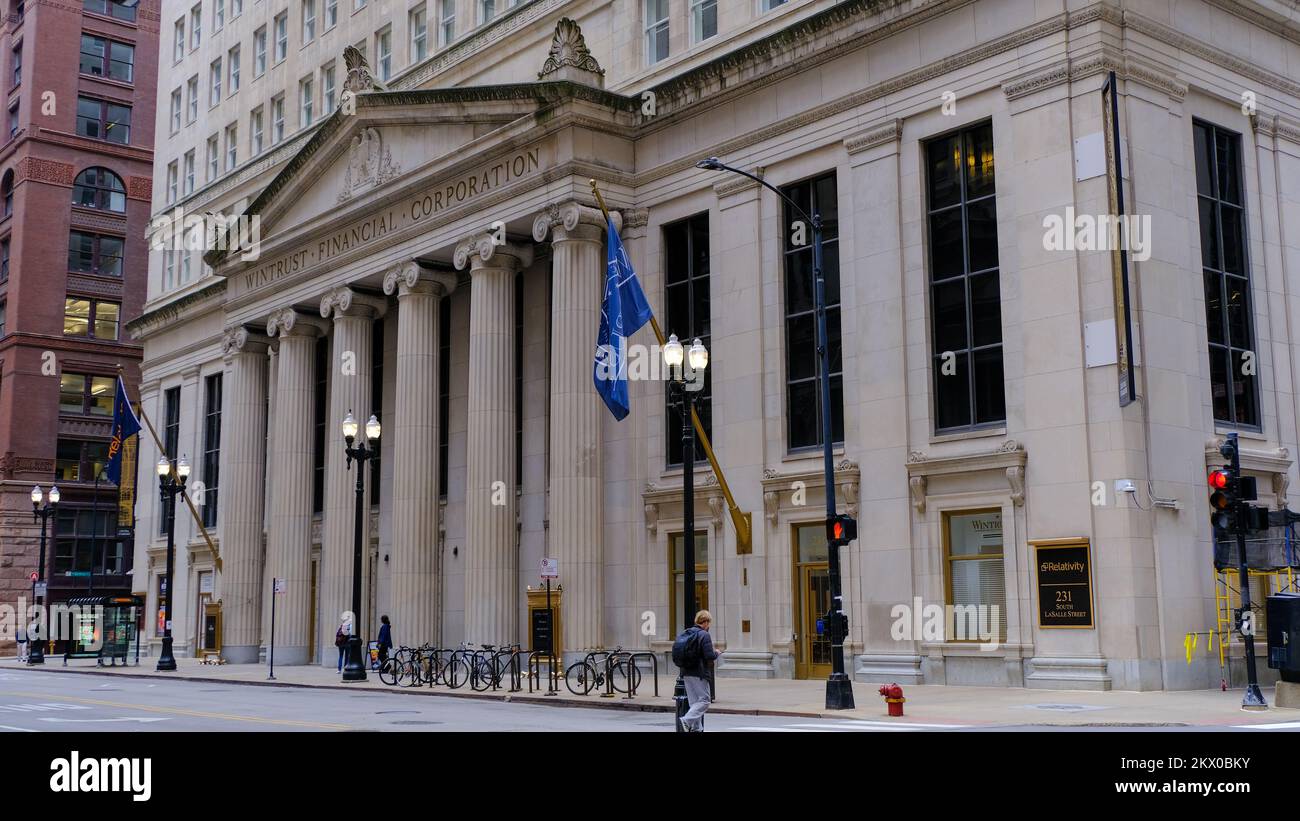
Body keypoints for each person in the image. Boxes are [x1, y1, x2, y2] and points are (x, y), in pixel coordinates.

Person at [676, 610, 721, 732]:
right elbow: (709, 656)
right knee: (705, 701)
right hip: (699, 673)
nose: (709, 625)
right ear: (705, 622)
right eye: (709, 622)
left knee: (694, 703)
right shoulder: (704, 635)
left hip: (685, 672)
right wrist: (716, 653)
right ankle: (687, 720)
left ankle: (697, 728)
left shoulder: (687, 633)